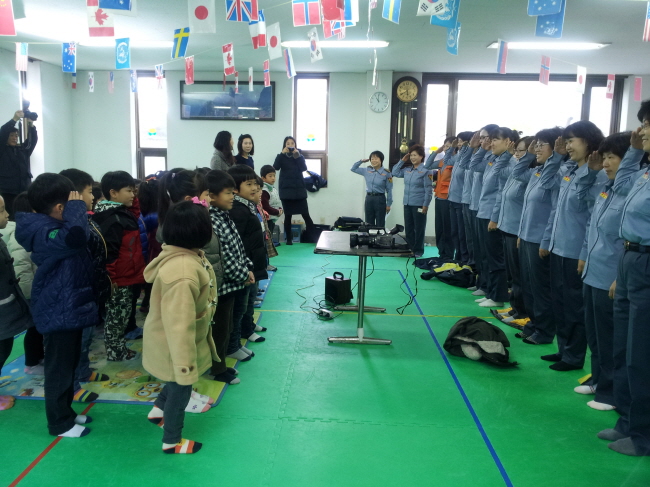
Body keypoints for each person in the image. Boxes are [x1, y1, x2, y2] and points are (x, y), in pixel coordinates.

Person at [15, 174, 98, 437]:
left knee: (68, 364)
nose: (87, 201)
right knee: (59, 369)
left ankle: (67, 412)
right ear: (62, 208)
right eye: (76, 201)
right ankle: (59, 423)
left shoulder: (53, 226)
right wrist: (77, 209)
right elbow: (76, 238)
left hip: (67, 306)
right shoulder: (45, 231)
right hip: (58, 309)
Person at [143, 200, 219, 454]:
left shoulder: (184, 256)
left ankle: (157, 411)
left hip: (171, 343)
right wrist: (185, 365)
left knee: (174, 384)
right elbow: (179, 326)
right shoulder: (183, 272)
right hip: (175, 348)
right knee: (180, 390)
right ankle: (171, 441)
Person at [579, 132, 644, 411]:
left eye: (612, 157)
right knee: (595, 334)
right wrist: (584, 256)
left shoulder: (632, 189)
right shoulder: (607, 188)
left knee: (611, 338)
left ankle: (610, 393)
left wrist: (620, 276)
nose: (605, 163)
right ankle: (598, 380)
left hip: (612, 275)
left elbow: (627, 241)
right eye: (604, 157)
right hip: (594, 271)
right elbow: (590, 223)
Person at [600, 100, 650, 456]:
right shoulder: (645, 170)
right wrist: (633, 152)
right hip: (630, 258)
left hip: (646, 261)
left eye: (647, 124)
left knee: (641, 352)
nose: (641, 130)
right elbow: (622, 186)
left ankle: (644, 434)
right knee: (624, 346)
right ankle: (628, 420)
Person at [544, 121, 605, 371]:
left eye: (571, 141)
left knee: (574, 306)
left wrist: (584, 253)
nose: (567, 146)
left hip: (575, 251)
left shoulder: (598, 175)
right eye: (566, 141)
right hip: (559, 247)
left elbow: (592, 219)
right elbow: (555, 204)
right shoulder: (571, 171)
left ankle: (573, 356)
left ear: (588, 142)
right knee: (559, 303)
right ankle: (563, 349)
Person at [60, 169, 112, 403]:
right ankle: (72, 386)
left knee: (87, 336)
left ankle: (83, 371)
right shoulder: (71, 227)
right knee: (75, 342)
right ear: (75, 195)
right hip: (77, 293)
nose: (93, 196)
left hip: (90, 289)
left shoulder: (86, 220)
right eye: (90, 192)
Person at [92, 171, 145, 361]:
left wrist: (133, 198)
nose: (133, 195)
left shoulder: (120, 213)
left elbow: (134, 214)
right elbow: (110, 254)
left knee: (122, 314)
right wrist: (111, 279)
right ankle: (116, 353)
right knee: (116, 318)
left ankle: (119, 348)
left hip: (127, 275)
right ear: (113, 193)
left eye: (134, 191)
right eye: (128, 191)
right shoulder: (112, 218)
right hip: (118, 279)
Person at [206, 170, 255, 373]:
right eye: (228, 192)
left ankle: (231, 348)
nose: (232, 196)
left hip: (236, 280)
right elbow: (224, 256)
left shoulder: (224, 215)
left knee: (232, 320)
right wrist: (243, 274)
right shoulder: (212, 220)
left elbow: (238, 247)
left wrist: (248, 267)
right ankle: (219, 367)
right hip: (225, 285)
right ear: (212, 196)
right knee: (221, 327)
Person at [0, 193, 39, 411]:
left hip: (9, 301)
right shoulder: (17, 236)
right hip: (8, 303)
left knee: (5, 345)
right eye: (2, 210)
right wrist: (29, 294)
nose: (7, 215)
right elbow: (22, 269)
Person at [474, 127, 521, 309]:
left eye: (495, 140)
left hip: (493, 215)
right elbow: (474, 165)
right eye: (491, 139)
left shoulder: (510, 164)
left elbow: (501, 193)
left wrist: (494, 218)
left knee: (496, 258)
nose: (491, 143)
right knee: (487, 255)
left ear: (508, 142)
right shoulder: (494, 160)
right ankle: (490, 291)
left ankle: (498, 295)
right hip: (484, 211)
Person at [494, 136, 536, 324]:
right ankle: (515, 308)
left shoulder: (529, 174)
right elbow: (498, 172)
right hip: (507, 227)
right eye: (516, 151)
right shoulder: (516, 170)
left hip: (517, 230)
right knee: (513, 275)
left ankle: (521, 312)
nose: (517, 154)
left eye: (521, 151)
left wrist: (527, 157)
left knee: (520, 275)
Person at [227, 165, 268, 353]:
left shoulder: (247, 205)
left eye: (255, 184)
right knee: (242, 304)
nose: (255, 188)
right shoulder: (237, 210)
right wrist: (247, 266)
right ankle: (241, 334)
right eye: (249, 184)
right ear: (235, 188)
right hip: (246, 264)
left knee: (250, 299)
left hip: (253, 261)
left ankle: (248, 326)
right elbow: (240, 242)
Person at [467, 125, 498, 295]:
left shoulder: (493, 158)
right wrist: (476, 149)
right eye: (481, 137)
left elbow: (474, 166)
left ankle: (488, 286)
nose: (482, 141)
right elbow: (469, 165)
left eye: (485, 137)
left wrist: (482, 151)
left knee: (488, 252)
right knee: (478, 249)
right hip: (477, 207)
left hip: (488, 210)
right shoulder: (485, 155)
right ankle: (482, 282)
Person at [392, 145, 434, 257]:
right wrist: (402, 160)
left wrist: (426, 205)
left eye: (415, 155)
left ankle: (418, 251)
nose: (412, 158)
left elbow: (428, 190)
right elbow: (394, 172)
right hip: (407, 203)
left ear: (421, 156)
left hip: (419, 204)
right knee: (409, 228)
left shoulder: (426, 171)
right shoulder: (407, 170)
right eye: (411, 155)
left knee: (419, 228)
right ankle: (410, 249)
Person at [273, 136, 315, 245]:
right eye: (288, 143)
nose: (290, 145)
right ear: (284, 145)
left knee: (306, 215)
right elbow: (275, 167)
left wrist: (298, 156)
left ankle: (314, 238)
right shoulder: (282, 156)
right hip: (286, 191)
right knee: (288, 216)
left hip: (299, 190)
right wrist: (281, 154)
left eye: (292, 143)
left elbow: (304, 168)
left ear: (295, 145)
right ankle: (289, 240)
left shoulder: (299, 155)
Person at [0, 111, 37, 218]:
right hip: (7, 192)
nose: (14, 138)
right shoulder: (2, 149)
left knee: (24, 216)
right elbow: (3, 131)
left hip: (23, 191)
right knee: (10, 218)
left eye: (16, 135)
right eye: (11, 135)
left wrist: (31, 124)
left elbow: (32, 141)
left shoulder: (22, 150)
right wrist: (15, 119)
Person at [425, 137, 456, 262]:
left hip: (448, 198)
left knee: (448, 229)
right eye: (445, 146)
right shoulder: (442, 161)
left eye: (449, 146)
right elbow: (427, 165)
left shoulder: (456, 161)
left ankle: (448, 254)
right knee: (439, 228)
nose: (446, 148)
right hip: (438, 197)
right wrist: (435, 152)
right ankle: (441, 253)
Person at [446, 132, 474, 266]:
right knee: (454, 232)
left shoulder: (470, 159)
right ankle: (458, 257)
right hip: (452, 199)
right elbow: (446, 161)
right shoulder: (458, 157)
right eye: (458, 142)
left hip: (461, 200)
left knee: (462, 234)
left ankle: (464, 258)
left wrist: (467, 149)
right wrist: (451, 148)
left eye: (461, 141)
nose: (459, 144)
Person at [350, 150, 393, 228]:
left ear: (381, 160)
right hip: (369, 198)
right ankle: (369, 236)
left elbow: (389, 190)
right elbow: (353, 169)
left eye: (376, 158)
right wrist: (361, 161)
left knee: (380, 222)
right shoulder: (367, 170)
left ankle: (380, 236)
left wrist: (389, 204)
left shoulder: (387, 173)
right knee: (368, 223)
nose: (374, 160)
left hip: (380, 199)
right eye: (372, 159)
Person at [260, 164, 283, 236]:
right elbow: (265, 207)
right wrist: (277, 212)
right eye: (270, 176)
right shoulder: (264, 190)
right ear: (263, 178)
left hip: (272, 217)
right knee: (268, 237)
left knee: (270, 236)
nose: (273, 178)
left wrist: (280, 209)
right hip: (267, 219)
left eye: (274, 176)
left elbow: (276, 201)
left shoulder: (272, 188)